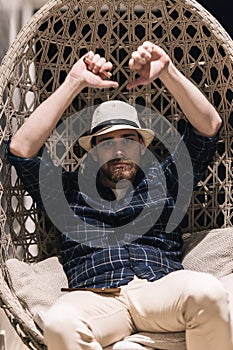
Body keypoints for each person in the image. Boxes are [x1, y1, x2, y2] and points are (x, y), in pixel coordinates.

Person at [6, 41, 233, 350]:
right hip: (97, 297)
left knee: (207, 292)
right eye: (106, 142)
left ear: (142, 147)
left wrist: (166, 70)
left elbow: (209, 126)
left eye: (128, 139)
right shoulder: (67, 192)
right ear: (92, 151)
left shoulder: (166, 180)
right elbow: (21, 149)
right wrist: (74, 81)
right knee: (60, 324)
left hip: (158, 288)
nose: (117, 149)